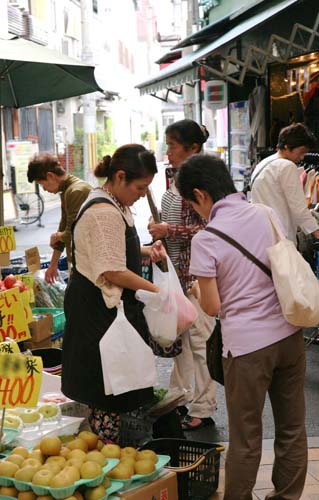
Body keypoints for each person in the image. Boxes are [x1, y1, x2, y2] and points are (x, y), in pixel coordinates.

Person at [175, 153, 307, 500]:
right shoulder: (266, 213)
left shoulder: (206, 239)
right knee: (292, 428)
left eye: (192, 204)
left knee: (246, 437)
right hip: (291, 335)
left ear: (201, 195)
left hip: (248, 349)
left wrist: (195, 289)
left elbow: (213, 306)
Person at [61, 144, 161, 444]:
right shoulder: (104, 211)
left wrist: (144, 252)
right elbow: (112, 270)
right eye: (140, 187)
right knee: (106, 390)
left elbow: (111, 252)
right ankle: (106, 453)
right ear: (119, 177)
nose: (142, 194)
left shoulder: (115, 203)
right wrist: (158, 291)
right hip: (97, 313)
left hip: (103, 308)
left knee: (115, 384)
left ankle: (109, 449)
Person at [148, 119, 217, 431]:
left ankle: (204, 406)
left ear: (192, 148)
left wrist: (168, 229)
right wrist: (159, 233)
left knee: (200, 341)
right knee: (182, 342)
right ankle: (179, 398)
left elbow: (210, 227)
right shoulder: (173, 177)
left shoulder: (203, 180)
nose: (168, 151)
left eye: (173, 145)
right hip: (174, 273)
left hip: (196, 277)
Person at [27, 154, 92, 283]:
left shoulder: (76, 192)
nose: (44, 189)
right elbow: (64, 227)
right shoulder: (68, 190)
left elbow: (73, 234)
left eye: (41, 184)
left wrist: (57, 236)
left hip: (87, 264)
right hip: (79, 262)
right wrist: (53, 265)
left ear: (50, 176)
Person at [251, 122, 319, 245]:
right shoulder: (287, 166)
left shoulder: (263, 164)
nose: (302, 157)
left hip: (260, 235)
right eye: (301, 151)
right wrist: (316, 232)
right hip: (281, 238)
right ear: (288, 146)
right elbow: (299, 208)